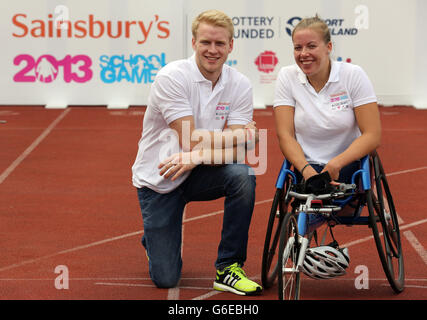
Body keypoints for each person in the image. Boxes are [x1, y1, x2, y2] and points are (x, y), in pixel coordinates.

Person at [131, 9, 262, 296]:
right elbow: (191, 138)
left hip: (200, 168)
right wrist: (239, 136)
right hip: (161, 174)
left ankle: (228, 267)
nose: (212, 50)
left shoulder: (239, 84)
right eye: (205, 42)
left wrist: (199, 156)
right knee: (166, 278)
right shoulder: (172, 77)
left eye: (219, 43)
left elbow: (240, 150)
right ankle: (153, 240)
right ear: (193, 43)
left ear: (230, 46)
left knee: (243, 175)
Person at [273, 16, 381, 275]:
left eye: (311, 46)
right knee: (307, 188)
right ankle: (306, 225)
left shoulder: (352, 75)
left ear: (329, 47)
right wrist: (308, 169)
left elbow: (372, 134)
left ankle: (309, 224)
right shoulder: (287, 77)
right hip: (305, 162)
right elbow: (285, 135)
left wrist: (335, 164)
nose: (304, 54)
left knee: (332, 192)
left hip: (346, 161)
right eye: (298, 48)